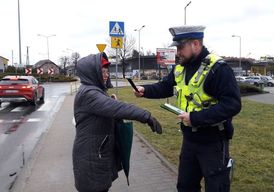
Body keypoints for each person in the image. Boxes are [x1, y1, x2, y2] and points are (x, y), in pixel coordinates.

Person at [134, 25, 241, 192]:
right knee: (185, 186)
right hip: (190, 141)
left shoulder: (218, 68)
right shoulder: (181, 67)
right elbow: (166, 86)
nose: (177, 52)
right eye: (177, 47)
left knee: (216, 188)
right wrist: (145, 90)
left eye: (180, 47)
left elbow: (232, 104)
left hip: (214, 142)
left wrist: (195, 118)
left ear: (196, 44)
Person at [72, 52, 162, 192]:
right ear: (92, 73)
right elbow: (117, 108)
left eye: (107, 70)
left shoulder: (95, 90)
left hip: (96, 154)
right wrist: (146, 116)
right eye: (102, 71)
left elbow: (108, 108)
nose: (106, 74)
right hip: (91, 157)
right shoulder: (89, 93)